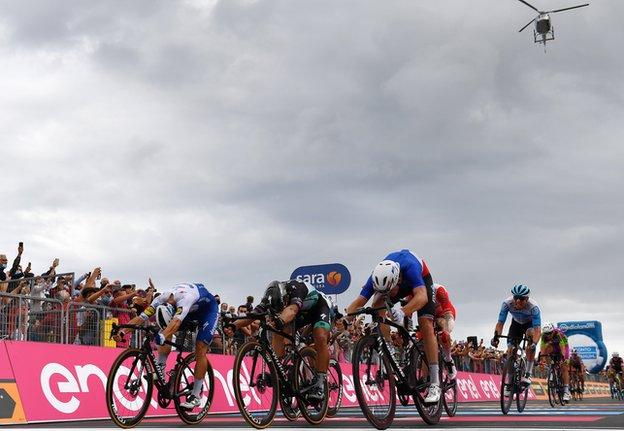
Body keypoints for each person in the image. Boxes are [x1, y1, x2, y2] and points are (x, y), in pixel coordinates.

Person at [345, 249, 441, 403]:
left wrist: (403, 312)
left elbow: (422, 297)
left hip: (421, 280)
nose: (389, 293)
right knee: (377, 304)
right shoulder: (375, 278)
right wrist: (344, 321)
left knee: (426, 324)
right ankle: (389, 350)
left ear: (398, 281)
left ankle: (435, 384)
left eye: (391, 290)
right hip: (390, 282)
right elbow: (358, 303)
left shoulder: (411, 268)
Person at [114, 282, 218, 409]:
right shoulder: (160, 299)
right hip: (188, 311)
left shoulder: (185, 299)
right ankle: (161, 370)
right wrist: (123, 331)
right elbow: (141, 318)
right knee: (165, 330)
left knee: (200, 348)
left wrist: (163, 335)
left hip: (207, 311)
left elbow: (176, 322)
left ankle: (196, 395)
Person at [233, 279, 333, 400]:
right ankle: (280, 369)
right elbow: (251, 316)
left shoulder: (297, 288)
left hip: (319, 308)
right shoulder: (268, 299)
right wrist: (232, 326)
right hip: (299, 313)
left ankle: (320, 383)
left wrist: (279, 320)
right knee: (278, 332)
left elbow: (292, 310)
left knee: (320, 336)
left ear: (285, 296)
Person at [491, 284, 541, 387]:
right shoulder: (507, 304)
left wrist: (534, 343)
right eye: (516, 297)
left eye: (521, 298)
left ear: (527, 299)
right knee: (510, 350)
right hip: (516, 324)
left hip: (529, 325)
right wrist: (496, 337)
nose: (518, 301)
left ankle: (528, 373)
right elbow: (500, 323)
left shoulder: (534, 307)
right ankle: (509, 381)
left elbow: (537, 330)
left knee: (530, 336)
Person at [538, 322, 571, 401]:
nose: (548, 335)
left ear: (553, 331)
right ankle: (551, 370)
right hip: (552, 346)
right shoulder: (544, 336)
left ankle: (566, 391)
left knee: (564, 367)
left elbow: (562, 347)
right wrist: (542, 361)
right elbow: (542, 349)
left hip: (563, 346)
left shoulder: (558, 333)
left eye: (549, 333)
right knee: (545, 350)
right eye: (546, 334)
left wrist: (564, 358)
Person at [433, 284, 457, 380]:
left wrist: (446, 331)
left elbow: (448, 315)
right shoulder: (413, 290)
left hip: (444, 313)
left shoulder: (438, 289)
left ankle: (448, 359)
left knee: (443, 334)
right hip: (429, 316)